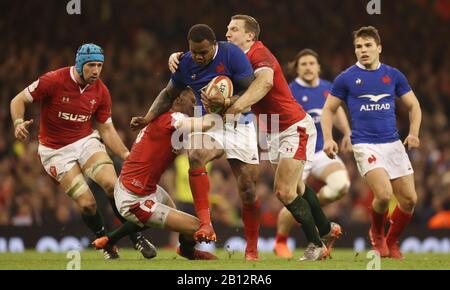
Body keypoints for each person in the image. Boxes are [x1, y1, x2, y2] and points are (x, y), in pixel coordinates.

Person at [170, 15, 340, 261]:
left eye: (234, 30)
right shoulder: (232, 56)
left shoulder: (260, 54)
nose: (227, 34)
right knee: (298, 189)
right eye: (227, 29)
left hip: (293, 127)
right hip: (271, 132)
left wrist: (232, 105)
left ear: (250, 35)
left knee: (283, 191)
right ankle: (327, 229)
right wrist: (176, 56)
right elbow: (206, 47)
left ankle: (316, 245)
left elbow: (265, 84)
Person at [10, 43, 156, 260]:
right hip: (55, 151)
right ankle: (106, 243)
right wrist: (18, 122)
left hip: (85, 141)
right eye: (91, 65)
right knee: (88, 204)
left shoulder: (101, 91)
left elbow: (106, 128)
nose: (96, 71)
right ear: (79, 65)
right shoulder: (53, 80)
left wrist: (126, 155)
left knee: (111, 185)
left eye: (99, 65)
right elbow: (18, 100)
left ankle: (136, 237)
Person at [131, 24, 261, 260]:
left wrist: (227, 100)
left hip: (241, 122)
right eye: (194, 52)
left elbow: (252, 89)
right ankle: (205, 224)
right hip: (210, 122)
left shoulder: (232, 54)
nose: (198, 57)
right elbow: (168, 94)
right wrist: (148, 117)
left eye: (203, 52)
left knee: (248, 191)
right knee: (196, 154)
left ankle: (251, 249)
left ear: (214, 45)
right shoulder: (186, 62)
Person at [321, 26, 421, 259]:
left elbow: (414, 105)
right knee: (384, 194)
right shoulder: (346, 78)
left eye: (368, 45)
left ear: (379, 48)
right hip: (365, 144)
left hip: (393, 143)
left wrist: (414, 132)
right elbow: (328, 110)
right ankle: (376, 234)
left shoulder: (393, 75)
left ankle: (392, 241)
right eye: (358, 46)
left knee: (410, 200)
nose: (363, 50)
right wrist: (328, 138)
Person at [92, 89, 218, 260]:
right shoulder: (174, 119)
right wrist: (220, 111)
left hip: (143, 188)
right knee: (196, 226)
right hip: (134, 198)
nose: (197, 106)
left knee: (176, 219)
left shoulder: (166, 120)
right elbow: (203, 124)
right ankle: (188, 252)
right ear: (178, 99)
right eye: (193, 101)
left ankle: (109, 240)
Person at [273, 49, 352, 258]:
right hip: (298, 149)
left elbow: (336, 111)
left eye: (311, 63)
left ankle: (314, 212)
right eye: (303, 64)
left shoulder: (328, 88)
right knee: (290, 193)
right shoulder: (290, 90)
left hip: (321, 150)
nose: (308, 67)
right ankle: (281, 240)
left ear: (318, 67)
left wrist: (346, 132)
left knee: (341, 185)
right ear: (296, 68)